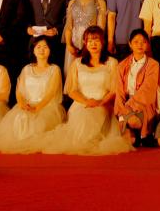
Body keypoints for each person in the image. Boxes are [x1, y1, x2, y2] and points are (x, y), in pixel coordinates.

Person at [42, 25, 132, 155]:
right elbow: (72, 90)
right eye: (89, 40)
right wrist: (86, 101)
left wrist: (100, 102)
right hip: (81, 104)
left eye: (96, 40)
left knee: (94, 118)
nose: (93, 44)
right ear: (85, 43)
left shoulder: (112, 62)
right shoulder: (77, 63)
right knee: (82, 118)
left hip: (104, 104)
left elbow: (114, 90)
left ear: (102, 42)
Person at [0, 37, 65, 154]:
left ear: (50, 50)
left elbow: (51, 92)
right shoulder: (27, 69)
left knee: (38, 123)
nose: (41, 50)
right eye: (38, 47)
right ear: (33, 50)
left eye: (45, 47)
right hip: (27, 105)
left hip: (46, 106)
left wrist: (38, 108)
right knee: (20, 119)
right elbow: (19, 91)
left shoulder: (54, 69)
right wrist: (22, 104)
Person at [114, 29, 160, 146]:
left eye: (143, 42)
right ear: (130, 44)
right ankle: (134, 135)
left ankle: (142, 132)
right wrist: (121, 108)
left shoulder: (153, 64)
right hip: (125, 104)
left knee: (133, 121)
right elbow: (119, 91)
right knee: (128, 139)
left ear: (147, 44)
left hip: (143, 104)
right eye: (136, 42)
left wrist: (128, 106)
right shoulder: (121, 65)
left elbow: (147, 90)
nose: (140, 45)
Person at [62, 0, 107, 82]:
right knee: (72, 75)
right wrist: (69, 45)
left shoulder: (100, 2)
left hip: (91, 43)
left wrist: (91, 44)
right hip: (73, 42)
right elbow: (69, 26)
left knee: (87, 74)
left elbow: (100, 28)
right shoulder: (72, 2)